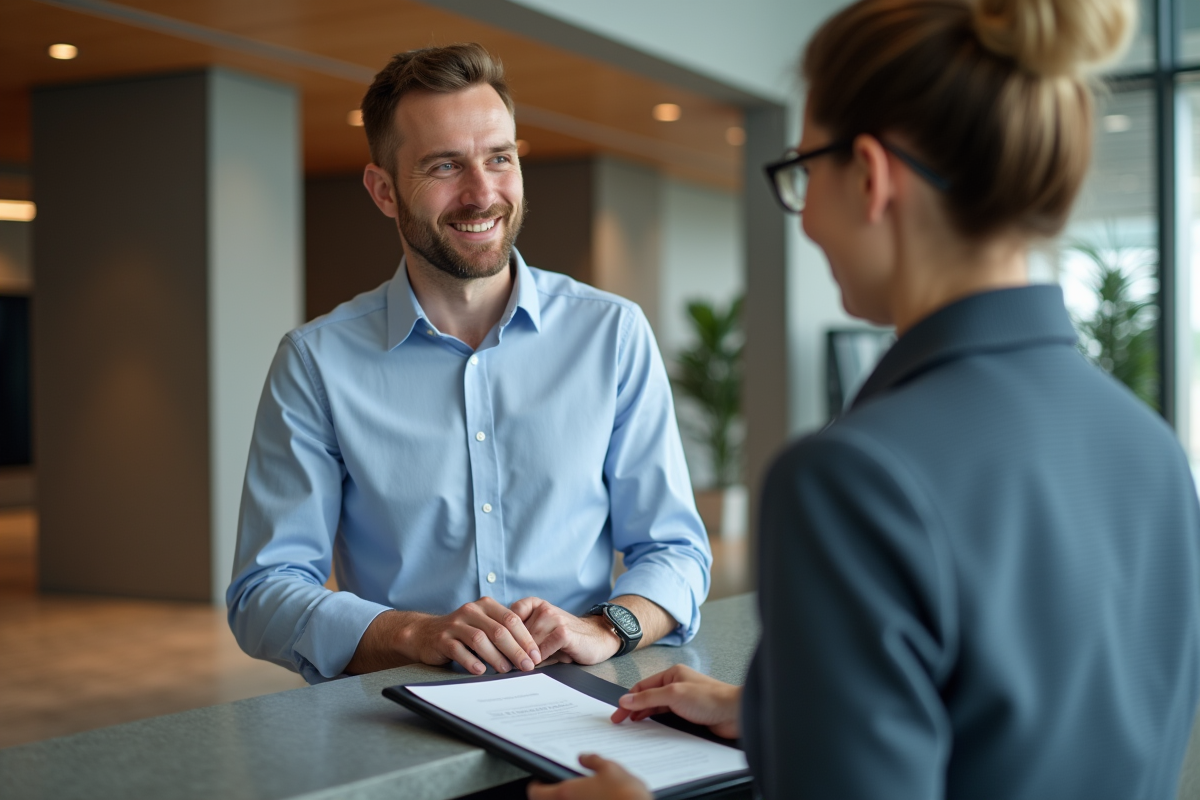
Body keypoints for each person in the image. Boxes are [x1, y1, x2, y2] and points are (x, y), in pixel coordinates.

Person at [529, 0, 1200, 798]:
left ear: (873, 177)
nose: (806, 214)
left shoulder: (852, 479)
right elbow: (1025, 727)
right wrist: (789, 714)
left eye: (805, 172)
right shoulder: (1149, 446)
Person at [226, 44, 711, 685]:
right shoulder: (316, 362)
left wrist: (604, 626)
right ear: (384, 191)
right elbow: (265, 590)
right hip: (395, 725)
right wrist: (413, 632)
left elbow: (674, 550)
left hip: (583, 710)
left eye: (500, 159)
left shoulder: (611, 332)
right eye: (445, 166)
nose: (482, 195)